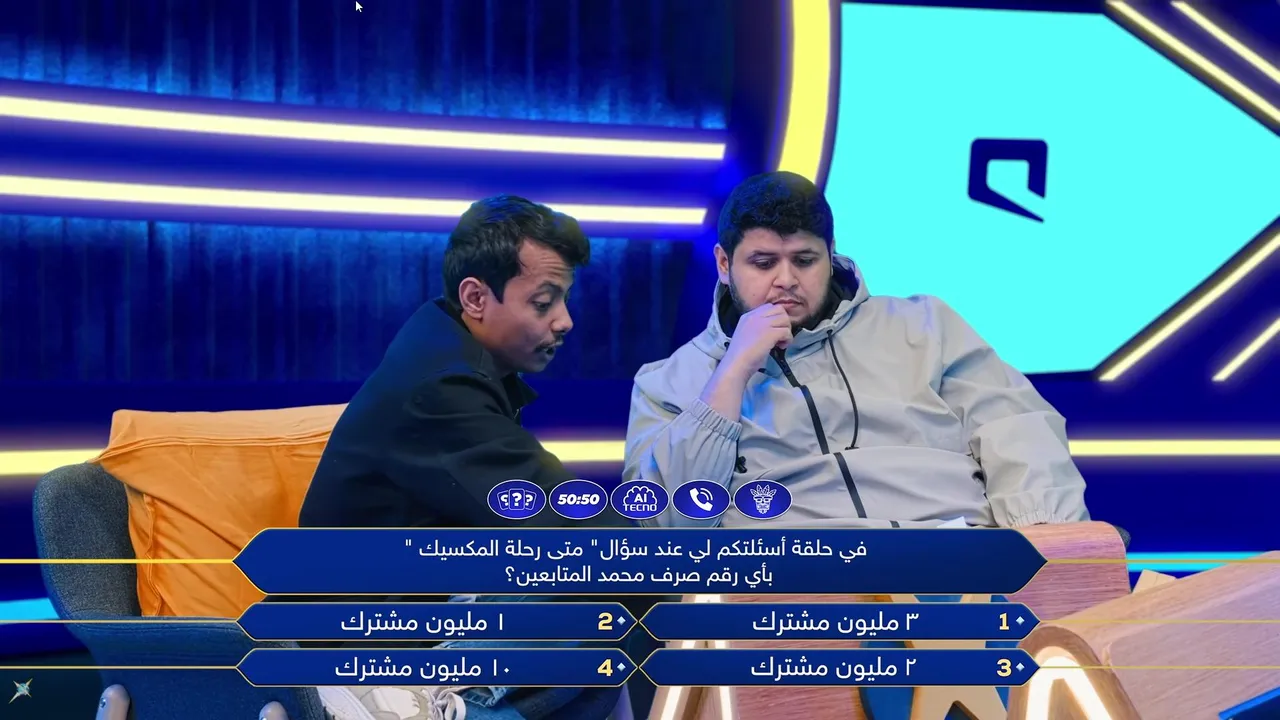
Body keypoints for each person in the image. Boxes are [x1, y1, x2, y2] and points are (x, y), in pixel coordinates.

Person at [299, 196, 641, 720]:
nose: (565, 321)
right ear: (476, 297)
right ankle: (431, 704)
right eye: (543, 302)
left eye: (565, 300)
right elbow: (555, 512)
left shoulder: (451, 353)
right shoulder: (439, 386)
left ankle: (452, 707)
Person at [623, 171, 1090, 529]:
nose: (786, 279)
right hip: (794, 588)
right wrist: (732, 371)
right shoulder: (668, 382)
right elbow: (667, 524)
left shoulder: (925, 325)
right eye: (763, 263)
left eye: (804, 260)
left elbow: (1016, 427)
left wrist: (1042, 547)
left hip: (956, 563)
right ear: (724, 264)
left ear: (831, 254)